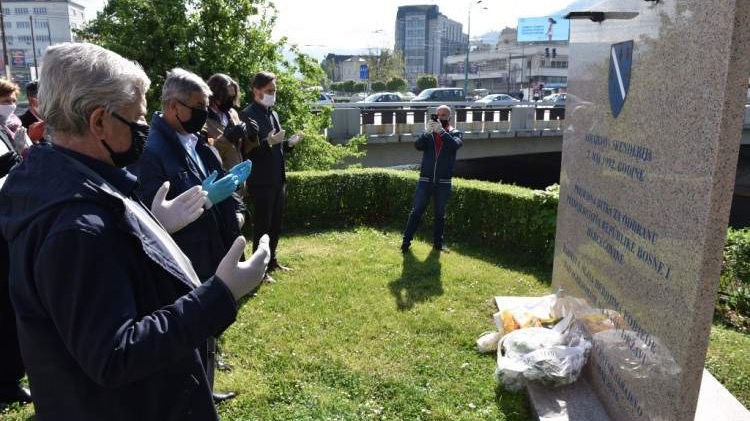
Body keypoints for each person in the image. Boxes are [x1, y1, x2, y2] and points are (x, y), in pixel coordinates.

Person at [0, 42, 270, 420]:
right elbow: (115, 354)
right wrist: (221, 293)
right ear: (98, 122)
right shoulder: (74, 226)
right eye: (137, 119)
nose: (146, 127)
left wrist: (153, 228)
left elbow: (111, 273)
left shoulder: (76, 180)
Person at [130, 67, 253, 403]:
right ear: (174, 107)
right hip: (184, 254)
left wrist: (232, 207)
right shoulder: (152, 150)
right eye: (197, 106)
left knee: (208, 324)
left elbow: (211, 182)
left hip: (208, 247)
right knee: (192, 325)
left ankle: (205, 384)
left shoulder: (193, 140)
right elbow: (150, 210)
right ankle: (193, 392)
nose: (203, 113)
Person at [240, 71, 302, 282]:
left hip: (278, 178)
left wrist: (289, 144)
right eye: (269, 91)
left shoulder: (272, 113)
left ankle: (272, 260)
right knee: (262, 225)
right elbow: (246, 151)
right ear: (256, 91)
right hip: (261, 179)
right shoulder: (247, 115)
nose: (273, 94)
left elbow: (276, 145)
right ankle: (259, 268)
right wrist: (269, 143)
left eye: (274, 91)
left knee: (276, 223)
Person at [401, 105, 463, 253]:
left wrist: (441, 132)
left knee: (440, 215)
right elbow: (418, 146)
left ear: (449, 117)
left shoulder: (456, 133)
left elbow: (454, 146)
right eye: (438, 115)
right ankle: (405, 243)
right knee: (416, 212)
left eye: (443, 115)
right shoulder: (429, 134)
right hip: (425, 181)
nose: (440, 117)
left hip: (443, 183)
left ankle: (437, 244)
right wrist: (427, 132)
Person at [0, 78, 27, 407]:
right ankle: (6, 381)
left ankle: (10, 376)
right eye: (4, 99)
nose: (9, 105)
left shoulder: (6, 130)